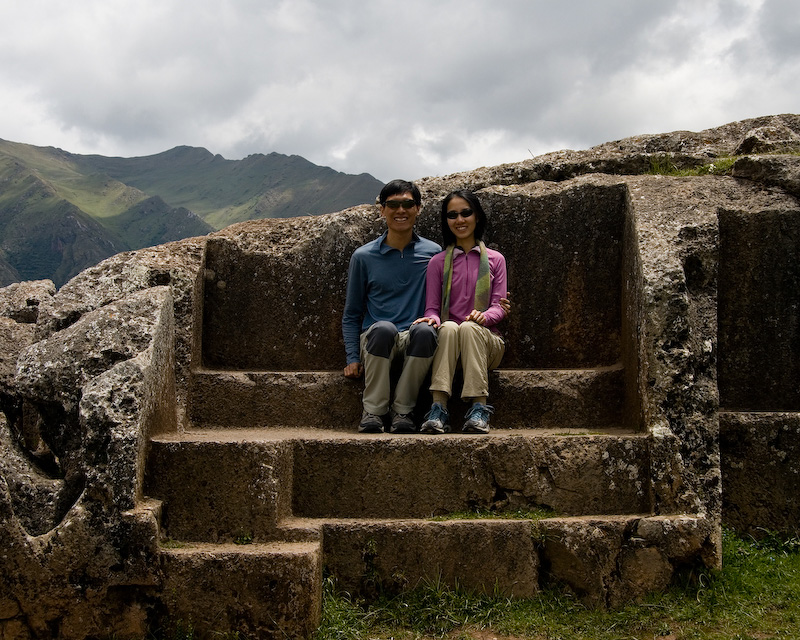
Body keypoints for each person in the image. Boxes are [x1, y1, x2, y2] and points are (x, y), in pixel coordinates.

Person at [342, 179, 441, 433]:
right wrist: (352, 357)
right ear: (382, 210)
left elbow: (448, 296)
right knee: (384, 328)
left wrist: (494, 303)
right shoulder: (363, 256)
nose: (401, 211)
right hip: (377, 339)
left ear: (418, 209)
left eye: (408, 204)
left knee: (426, 331)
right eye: (393, 205)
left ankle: (403, 412)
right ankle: (373, 412)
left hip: (415, 339)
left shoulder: (433, 253)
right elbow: (352, 313)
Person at [414, 190, 508, 434]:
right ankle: (438, 408)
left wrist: (484, 317)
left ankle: (479, 408)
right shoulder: (437, 262)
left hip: (487, 342)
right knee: (448, 327)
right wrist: (432, 319)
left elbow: (499, 306)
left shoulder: (496, 260)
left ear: (477, 216)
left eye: (466, 213)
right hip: (449, 344)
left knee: (468, 327)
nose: (460, 220)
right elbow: (432, 308)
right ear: (446, 220)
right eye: (452, 215)